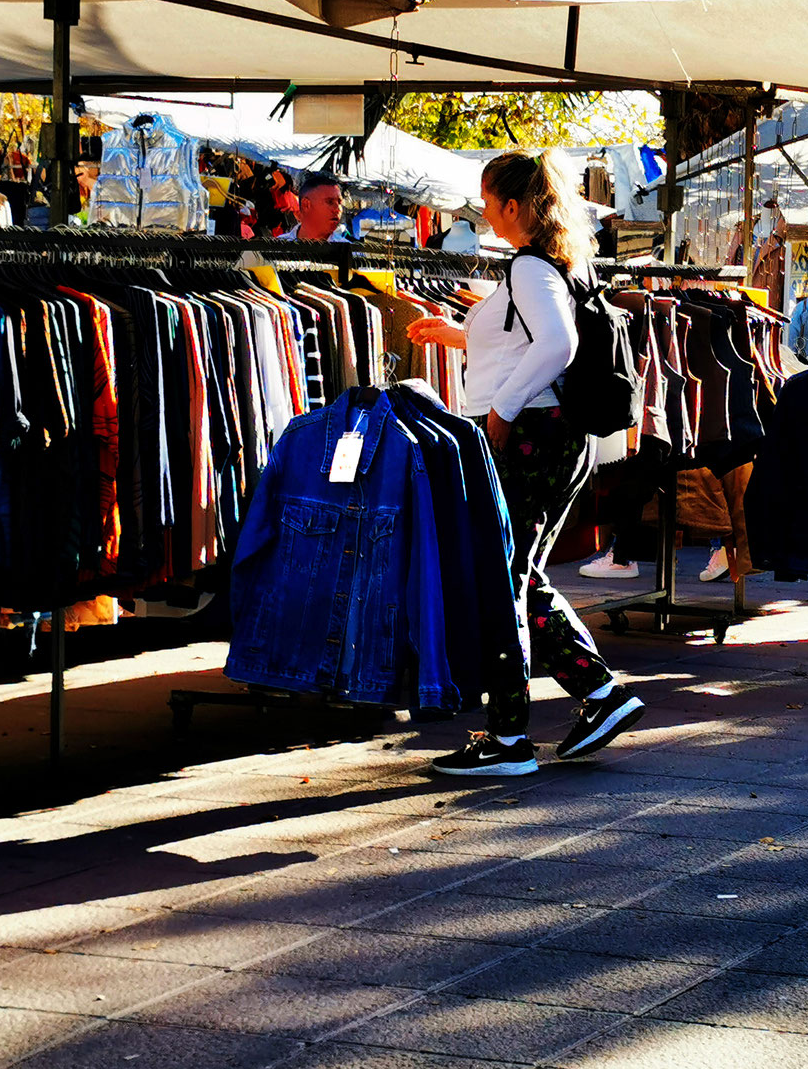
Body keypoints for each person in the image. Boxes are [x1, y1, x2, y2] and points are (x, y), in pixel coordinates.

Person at [406, 149, 646, 773]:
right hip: (550, 435)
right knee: (519, 576)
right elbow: (525, 341)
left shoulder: (530, 269)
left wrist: (504, 412)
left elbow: (558, 345)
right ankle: (600, 695)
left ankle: (511, 739)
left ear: (513, 205)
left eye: (488, 200)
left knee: (504, 580)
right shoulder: (547, 266)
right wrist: (456, 332)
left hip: (533, 437)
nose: (483, 210)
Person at [277, 171, 350, 243]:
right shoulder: (277, 248)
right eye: (330, 202)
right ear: (306, 205)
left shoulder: (350, 251)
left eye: (340, 202)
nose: (338, 209)